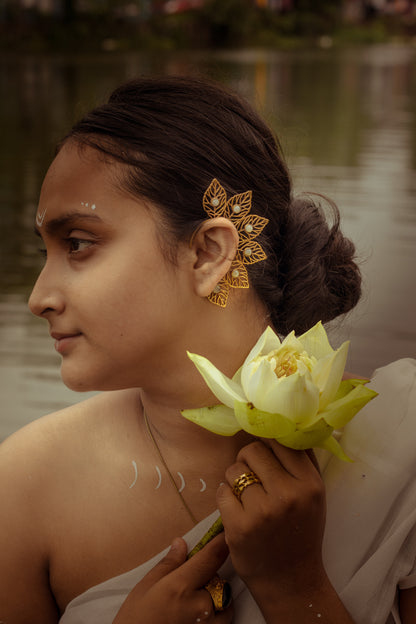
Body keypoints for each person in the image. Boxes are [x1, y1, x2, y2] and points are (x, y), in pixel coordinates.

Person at [0, 75, 415, 624]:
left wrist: (293, 586)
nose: (38, 298)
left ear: (208, 253)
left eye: (77, 243)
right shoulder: (22, 488)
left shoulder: (399, 446)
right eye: (47, 250)